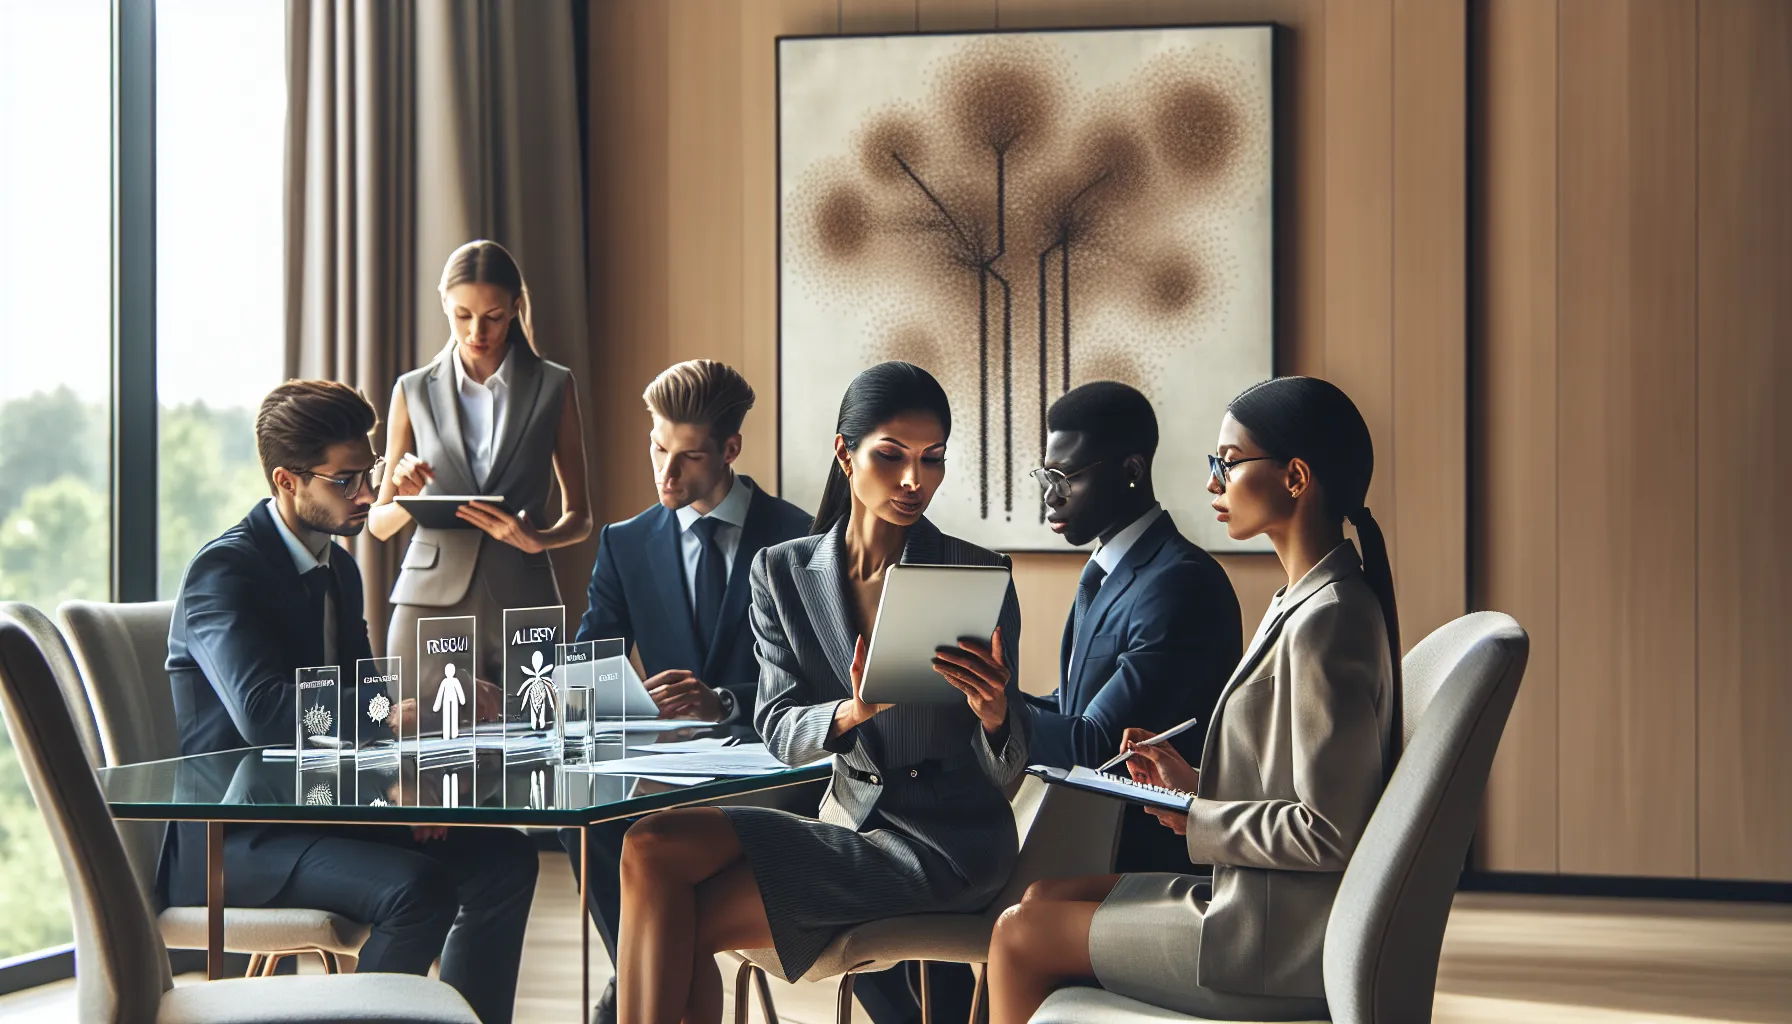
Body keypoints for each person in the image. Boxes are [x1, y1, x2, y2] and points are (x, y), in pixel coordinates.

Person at [614, 361, 1031, 1024]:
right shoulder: (781, 572)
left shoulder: (975, 574)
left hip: (946, 845)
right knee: (648, 845)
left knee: (683, 913)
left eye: (932, 459)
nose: (912, 480)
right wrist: (854, 709)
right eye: (891, 456)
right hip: (846, 823)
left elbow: (1008, 769)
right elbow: (778, 728)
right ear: (845, 452)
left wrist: (995, 714)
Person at [986, 376, 1403, 1023]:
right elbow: (1294, 793)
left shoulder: (1329, 620)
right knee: (1040, 896)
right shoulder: (1305, 603)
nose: (1213, 481)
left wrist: (1199, 817)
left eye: (1229, 463)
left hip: (1272, 937)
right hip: (1257, 899)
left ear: (1295, 478)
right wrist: (1193, 792)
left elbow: (1331, 832)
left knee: (1017, 934)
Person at [162, 381, 538, 1024]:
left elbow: (365, 700)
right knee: (417, 890)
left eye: (370, 473)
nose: (368, 494)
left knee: (505, 858)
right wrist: (397, 718)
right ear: (287, 480)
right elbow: (267, 713)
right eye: (346, 480)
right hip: (238, 840)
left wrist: (402, 779)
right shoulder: (225, 573)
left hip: (323, 808)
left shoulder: (339, 568)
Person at [557, 359, 811, 1024]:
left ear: (730, 449)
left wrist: (723, 701)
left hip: (771, 770)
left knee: (649, 841)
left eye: (687, 458)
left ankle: (637, 990)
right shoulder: (624, 543)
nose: (664, 475)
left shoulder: (798, 537)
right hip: (669, 769)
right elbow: (590, 661)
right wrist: (612, 695)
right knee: (578, 817)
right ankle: (640, 971)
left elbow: (822, 685)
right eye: (656, 449)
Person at [1027, 381, 1242, 874]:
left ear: (1131, 470)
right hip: (1089, 837)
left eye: (1066, 478)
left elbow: (1097, 747)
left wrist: (992, 714)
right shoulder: (1109, 571)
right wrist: (968, 695)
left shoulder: (1180, 584)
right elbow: (1070, 706)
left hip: (1141, 857)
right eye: (1046, 475)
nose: (1051, 496)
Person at [370, 239, 592, 684]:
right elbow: (379, 524)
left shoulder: (554, 386)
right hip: (428, 604)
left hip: (525, 601)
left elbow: (581, 517)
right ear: (444, 303)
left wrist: (539, 540)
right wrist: (408, 500)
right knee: (426, 746)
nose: (477, 332)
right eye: (462, 316)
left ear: (514, 308)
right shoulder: (411, 391)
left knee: (536, 747)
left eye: (492, 317)